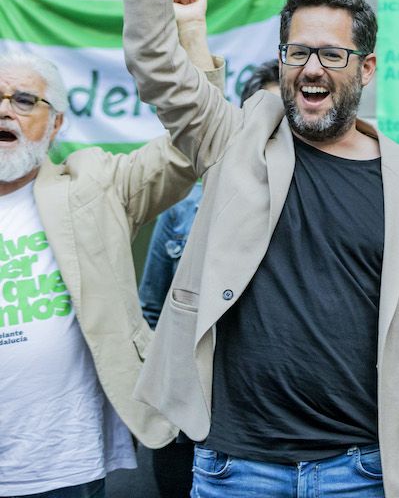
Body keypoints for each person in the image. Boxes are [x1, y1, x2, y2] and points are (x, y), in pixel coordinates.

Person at [123, 0, 399, 497]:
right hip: (235, 467)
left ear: (365, 69)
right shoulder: (233, 141)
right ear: (281, 62)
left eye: (332, 55)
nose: (313, 68)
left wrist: (374, 379)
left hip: (360, 470)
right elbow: (153, 56)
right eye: (298, 53)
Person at [0, 32, 221, 497]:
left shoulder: (93, 186)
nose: (5, 110)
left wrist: (194, 44)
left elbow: (191, 143)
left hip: (60, 468)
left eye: (23, 100)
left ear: (56, 123)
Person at [137, 59, 279, 498]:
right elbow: (153, 309)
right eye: (263, 117)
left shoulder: (317, 209)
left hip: (277, 426)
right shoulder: (183, 211)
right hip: (192, 425)